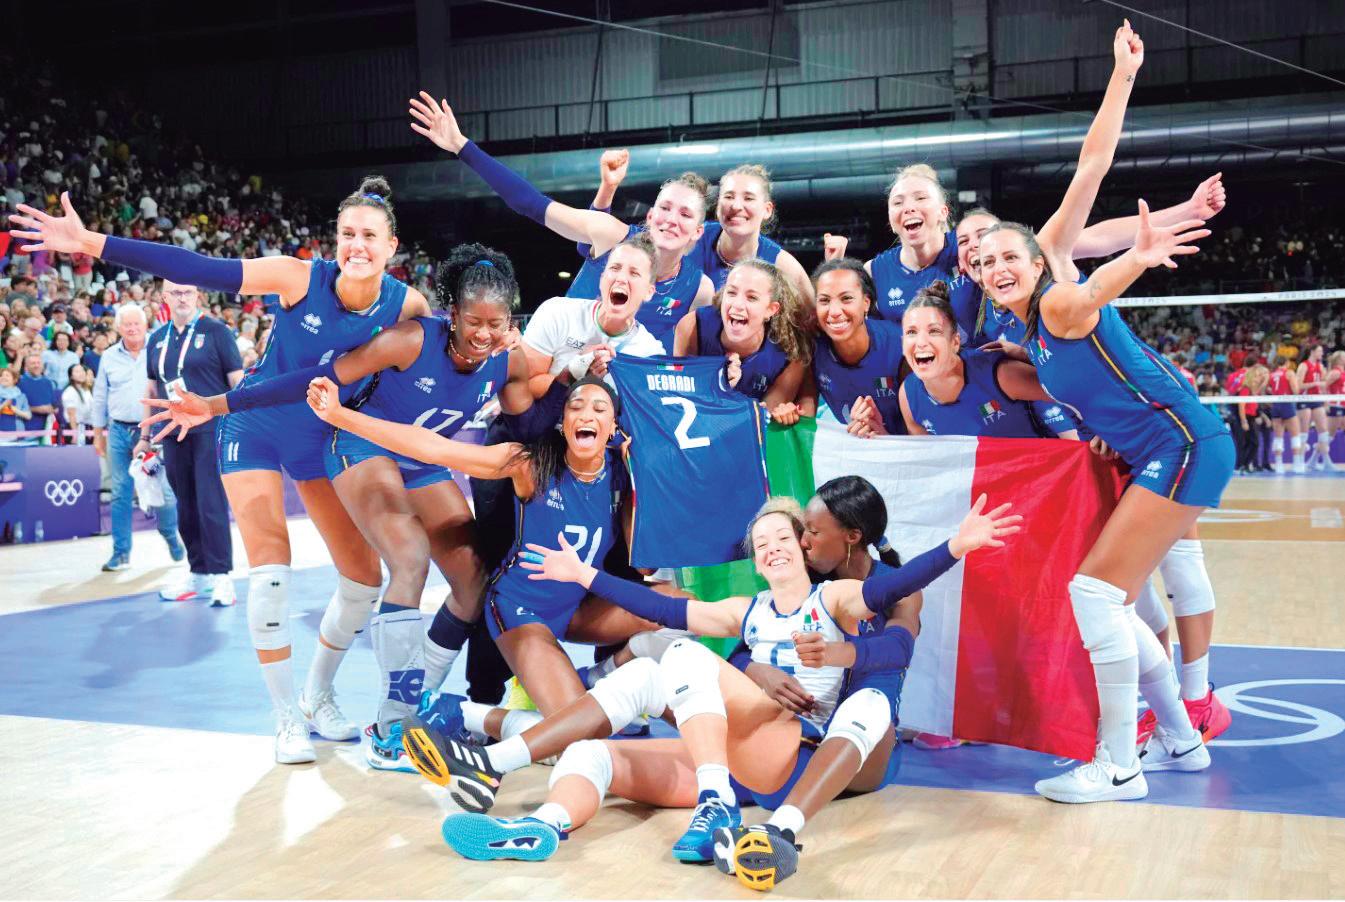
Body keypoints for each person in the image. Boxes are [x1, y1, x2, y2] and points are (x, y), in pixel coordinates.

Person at [11, 178, 431, 764]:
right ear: (335, 238)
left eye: (369, 236)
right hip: (252, 425)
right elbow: (197, 267)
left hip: (321, 436)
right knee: (272, 574)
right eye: (347, 234)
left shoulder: (409, 306)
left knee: (363, 582)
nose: (356, 245)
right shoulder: (297, 276)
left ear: (391, 246)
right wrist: (91, 243)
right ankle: (285, 719)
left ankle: (317, 695)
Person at [409, 493, 1017, 868]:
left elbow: (891, 590)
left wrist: (954, 548)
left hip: (796, 751)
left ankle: (712, 804)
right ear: (755, 559)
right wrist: (585, 575)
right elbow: (661, 608)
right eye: (762, 543)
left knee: (678, 658)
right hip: (740, 754)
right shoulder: (745, 611)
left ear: (804, 549)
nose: (772, 548)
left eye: (783, 538)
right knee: (597, 747)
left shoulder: (834, 597)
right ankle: (538, 827)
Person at [149, 244, 534, 767]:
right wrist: (216, 405)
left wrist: (588, 366)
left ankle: (413, 698)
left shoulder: (510, 360)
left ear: (511, 323)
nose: (484, 333)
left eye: (496, 323)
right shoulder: (410, 338)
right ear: (453, 314)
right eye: (474, 321)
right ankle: (392, 728)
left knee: (473, 579)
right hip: (362, 442)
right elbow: (317, 378)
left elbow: (549, 390)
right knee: (409, 559)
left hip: (421, 459)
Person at [305, 374, 663, 723]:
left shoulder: (621, 474)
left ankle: (600, 675)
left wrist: (640, 477)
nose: (586, 415)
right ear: (563, 422)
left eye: (599, 409)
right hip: (523, 610)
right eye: (576, 407)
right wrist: (339, 415)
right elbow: (435, 448)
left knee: (677, 606)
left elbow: (645, 566)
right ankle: (459, 713)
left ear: (613, 427)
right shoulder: (528, 463)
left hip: (576, 610)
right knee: (581, 727)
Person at [407, 93, 713, 352]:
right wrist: (462, 146)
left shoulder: (698, 288)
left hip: (618, 394)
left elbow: (689, 356)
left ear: (698, 231)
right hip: (554, 366)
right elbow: (531, 204)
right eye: (665, 208)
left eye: (685, 214)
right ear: (650, 215)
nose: (671, 220)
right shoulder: (612, 235)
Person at [143, 280, 244, 607]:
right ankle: (198, 572)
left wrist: (241, 428)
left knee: (210, 503)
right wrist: (145, 437)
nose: (182, 297)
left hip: (211, 430)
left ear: (198, 295)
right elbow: (152, 389)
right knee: (185, 504)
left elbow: (238, 384)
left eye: (188, 292)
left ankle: (221, 575)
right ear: (164, 297)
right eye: (175, 292)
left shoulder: (217, 332)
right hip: (174, 433)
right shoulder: (157, 339)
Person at [897, 281, 1071, 439]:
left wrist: (1026, 355)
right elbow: (927, 457)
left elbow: (1074, 391)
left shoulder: (1000, 375)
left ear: (955, 342)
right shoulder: (908, 395)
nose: (921, 342)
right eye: (911, 332)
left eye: (934, 331)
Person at [87, 304, 184, 571]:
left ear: (145, 325)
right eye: (127, 324)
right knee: (120, 493)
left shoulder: (159, 349)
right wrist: (97, 433)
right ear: (119, 328)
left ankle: (171, 535)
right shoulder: (109, 356)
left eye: (136, 324)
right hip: (118, 432)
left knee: (163, 492)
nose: (132, 329)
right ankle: (121, 554)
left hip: (153, 432)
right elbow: (99, 396)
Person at [672, 258, 813, 422]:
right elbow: (680, 401)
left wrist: (726, 395)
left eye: (752, 298)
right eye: (731, 293)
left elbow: (762, 421)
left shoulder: (790, 353)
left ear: (771, 309)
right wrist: (715, 384)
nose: (737, 305)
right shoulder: (692, 326)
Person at [807, 257, 906, 437]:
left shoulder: (901, 346)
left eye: (846, 299)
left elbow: (927, 434)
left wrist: (882, 435)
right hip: (855, 446)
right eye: (824, 300)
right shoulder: (812, 349)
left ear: (866, 303)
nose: (834, 312)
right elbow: (805, 420)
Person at [1296, 345, 1336, 470]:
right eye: (1320, 351)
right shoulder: (1304, 365)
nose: (1322, 353)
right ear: (1312, 351)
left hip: (1317, 399)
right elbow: (1298, 385)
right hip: (1305, 399)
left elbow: (1324, 384)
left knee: (1323, 430)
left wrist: (1326, 401)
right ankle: (1300, 461)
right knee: (1304, 431)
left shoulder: (1320, 366)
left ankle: (1326, 461)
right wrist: (1315, 383)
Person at [1266, 355, 1302, 474]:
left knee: (1278, 436)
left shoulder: (1272, 374)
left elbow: (1267, 389)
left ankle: (1279, 465)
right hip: (1287, 402)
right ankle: (1297, 464)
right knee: (1295, 434)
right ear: (1286, 362)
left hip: (1276, 404)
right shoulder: (1289, 373)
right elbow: (1295, 390)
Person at [19, 352, 58, 444]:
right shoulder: (20, 382)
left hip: (46, 431)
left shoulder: (48, 382)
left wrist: (52, 409)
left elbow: (54, 405)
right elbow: (14, 407)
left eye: (38, 363)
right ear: (26, 366)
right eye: (33, 363)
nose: (36, 366)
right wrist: (37, 409)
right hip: (25, 431)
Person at [61, 362, 94, 445]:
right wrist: (75, 434)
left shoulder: (86, 390)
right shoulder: (70, 391)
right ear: (71, 376)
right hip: (75, 428)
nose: (81, 373)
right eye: (77, 371)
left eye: (82, 371)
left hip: (88, 427)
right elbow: (71, 414)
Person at [0, 368, 33, 440]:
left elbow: (28, 416)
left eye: (7, 375)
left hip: (16, 435)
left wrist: (14, 409)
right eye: (1, 375)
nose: (3, 377)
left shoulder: (21, 396)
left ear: (15, 380)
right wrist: (3, 405)